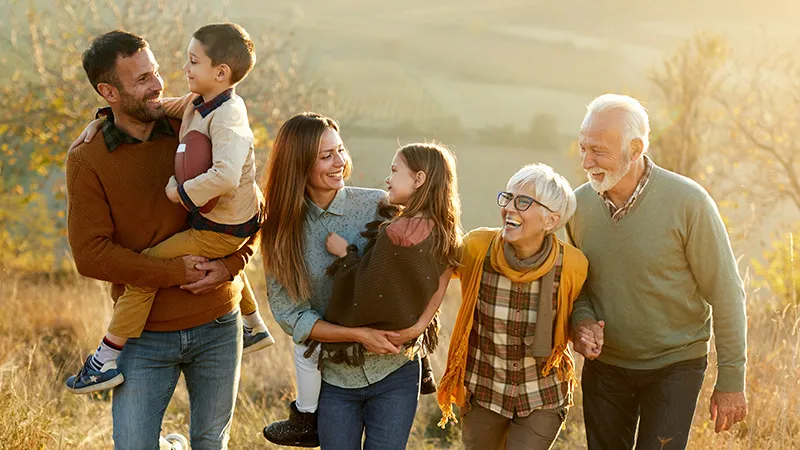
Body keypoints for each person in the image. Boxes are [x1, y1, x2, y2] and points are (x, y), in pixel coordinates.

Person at [65, 30, 257, 449]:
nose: (157, 85)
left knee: (211, 442)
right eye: (141, 80)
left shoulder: (194, 123)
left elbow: (250, 209)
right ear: (107, 91)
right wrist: (172, 272)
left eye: (155, 72)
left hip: (218, 322)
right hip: (145, 334)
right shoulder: (88, 159)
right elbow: (90, 257)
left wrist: (230, 266)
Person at [568, 94, 748, 450]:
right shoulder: (579, 206)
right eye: (583, 148)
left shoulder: (689, 202)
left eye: (599, 151)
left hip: (675, 364)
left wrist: (731, 380)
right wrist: (583, 320)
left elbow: (726, 293)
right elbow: (578, 286)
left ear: (635, 149)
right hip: (607, 365)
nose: (587, 162)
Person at [264, 142, 460, 446]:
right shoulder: (284, 230)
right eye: (326, 155)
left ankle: (303, 415)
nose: (339, 161)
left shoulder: (382, 207)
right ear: (299, 164)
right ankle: (306, 416)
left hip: (395, 368)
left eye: (340, 150)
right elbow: (293, 315)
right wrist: (358, 334)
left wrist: (420, 326)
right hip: (335, 374)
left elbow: (422, 273)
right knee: (304, 349)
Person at [437, 164, 588, 450]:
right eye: (508, 198)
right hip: (484, 392)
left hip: (541, 395)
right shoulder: (477, 248)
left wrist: (586, 327)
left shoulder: (572, 264)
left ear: (550, 220)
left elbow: (583, 304)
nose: (509, 208)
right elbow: (435, 266)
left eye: (523, 202)